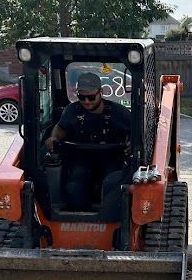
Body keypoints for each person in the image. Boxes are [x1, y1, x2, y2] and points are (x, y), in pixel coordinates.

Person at [45, 71, 132, 220]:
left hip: (112, 158)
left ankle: (112, 219)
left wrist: (132, 143)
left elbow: (136, 133)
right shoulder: (72, 110)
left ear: (101, 92)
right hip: (81, 158)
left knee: (112, 182)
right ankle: (76, 219)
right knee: (74, 185)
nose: (86, 101)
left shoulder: (120, 113)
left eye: (91, 97)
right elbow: (60, 128)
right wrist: (53, 138)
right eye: (81, 97)